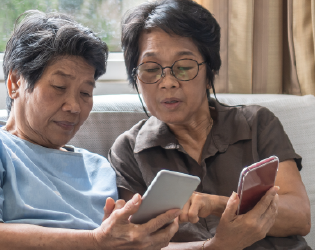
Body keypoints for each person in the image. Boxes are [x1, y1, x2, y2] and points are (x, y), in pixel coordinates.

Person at [0, 11, 180, 250]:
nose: (74, 106)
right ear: (15, 82)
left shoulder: (98, 169)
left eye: (85, 93)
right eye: (58, 86)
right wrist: (96, 241)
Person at [110, 0, 311, 249]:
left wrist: (216, 205)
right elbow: (136, 242)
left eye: (183, 67)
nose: (168, 82)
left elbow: (300, 217)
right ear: (136, 80)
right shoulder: (128, 150)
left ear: (209, 74)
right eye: (151, 69)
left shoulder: (257, 123)